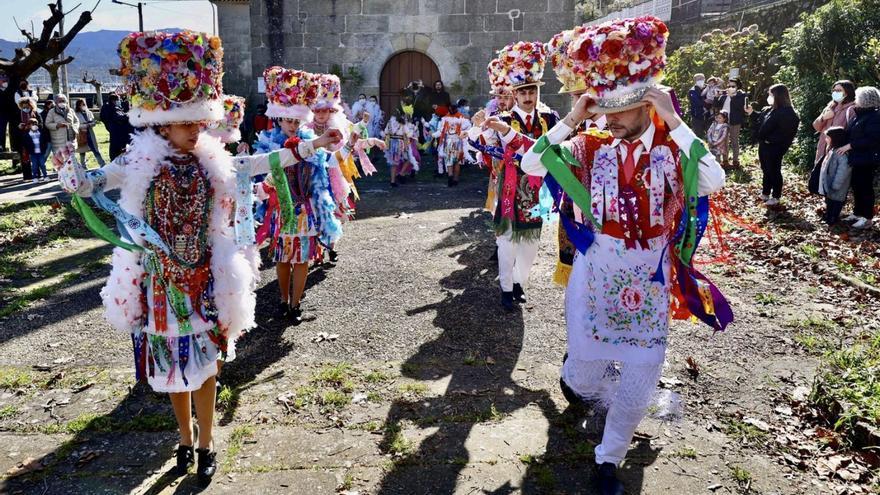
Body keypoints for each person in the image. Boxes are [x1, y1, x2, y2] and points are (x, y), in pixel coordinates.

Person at [52, 31, 328, 489]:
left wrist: (312, 145)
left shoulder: (213, 159)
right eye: (188, 123)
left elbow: (260, 165)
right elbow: (90, 184)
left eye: (201, 120)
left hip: (204, 281)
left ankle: (207, 444)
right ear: (162, 124)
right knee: (173, 373)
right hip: (161, 284)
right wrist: (70, 174)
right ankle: (184, 438)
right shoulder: (136, 163)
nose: (198, 129)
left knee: (208, 368)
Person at [521, 18, 730, 495]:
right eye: (603, 109)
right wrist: (573, 117)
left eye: (621, 109)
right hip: (597, 273)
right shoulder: (590, 146)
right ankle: (577, 383)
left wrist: (675, 121)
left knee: (641, 376)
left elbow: (714, 180)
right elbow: (533, 164)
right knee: (583, 373)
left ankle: (608, 459)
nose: (609, 119)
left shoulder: (674, 154)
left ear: (648, 105)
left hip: (650, 277)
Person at [252, 66, 344, 323]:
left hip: (306, 211)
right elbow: (261, 177)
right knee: (282, 258)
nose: (292, 125)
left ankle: (295, 304)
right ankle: (283, 299)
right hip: (280, 212)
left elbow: (325, 172)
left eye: (296, 121)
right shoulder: (268, 144)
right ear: (278, 119)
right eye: (287, 120)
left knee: (303, 259)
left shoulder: (313, 142)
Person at [479, 40, 557, 311]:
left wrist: (508, 135)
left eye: (531, 91)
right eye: (522, 91)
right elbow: (482, 146)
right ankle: (506, 288)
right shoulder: (502, 118)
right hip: (510, 188)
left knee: (531, 243)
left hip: (536, 190)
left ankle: (520, 282)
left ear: (536, 92)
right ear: (514, 92)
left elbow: (544, 149)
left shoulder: (550, 119)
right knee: (507, 242)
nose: (527, 96)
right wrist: (480, 132)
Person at [749, 84, 799, 206]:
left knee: (774, 171)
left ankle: (776, 196)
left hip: (775, 147)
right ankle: (765, 192)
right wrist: (751, 113)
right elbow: (761, 119)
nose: (769, 97)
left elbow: (787, 133)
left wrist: (771, 140)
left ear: (778, 96)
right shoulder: (770, 109)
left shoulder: (788, 113)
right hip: (764, 145)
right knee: (765, 169)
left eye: (771, 95)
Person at [839, 86, 880, 229]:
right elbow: (851, 133)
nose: (855, 100)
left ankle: (867, 217)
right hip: (857, 158)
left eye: (858, 97)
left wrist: (850, 146)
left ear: (865, 100)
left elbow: (872, 139)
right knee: (856, 185)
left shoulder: (875, 116)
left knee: (865, 187)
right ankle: (858, 212)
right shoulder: (860, 114)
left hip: (867, 159)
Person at [812, 81, 856, 166]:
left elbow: (852, 132)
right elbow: (816, 127)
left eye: (839, 90)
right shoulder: (830, 106)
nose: (835, 93)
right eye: (834, 90)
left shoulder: (852, 109)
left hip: (839, 152)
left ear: (847, 92)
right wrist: (823, 118)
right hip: (822, 149)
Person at [818, 127, 851, 225]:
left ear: (835, 139)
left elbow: (843, 171)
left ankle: (833, 218)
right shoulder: (832, 150)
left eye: (828, 137)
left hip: (838, 185)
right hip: (830, 183)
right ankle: (828, 216)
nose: (826, 139)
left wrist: (836, 184)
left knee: (836, 202)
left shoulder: (841, 154)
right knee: (829, 201)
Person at [714, 78, 749, 167]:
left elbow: (740, 108)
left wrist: (732, 96)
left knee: (734, 141)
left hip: (735, 121)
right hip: (724, 122)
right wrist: (716, 97)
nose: (730, 88)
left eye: (733, 86)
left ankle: (735, 161)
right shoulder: (725, 95)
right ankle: (725, 161)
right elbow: (716, 105)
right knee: (724, 141)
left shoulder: (742, 95)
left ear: (738, 86)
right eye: (729, 86)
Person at [434, 104, 471, 186]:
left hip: (455, 142)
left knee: (452, 161)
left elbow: (441, 131)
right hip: (452, 142)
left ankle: (452, 178)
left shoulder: (450, 118)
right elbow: (441, 131)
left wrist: (434, 135)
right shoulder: (457, 118)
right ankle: (453, 179)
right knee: (454, 161)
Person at [384, 111, 417, 187]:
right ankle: (401, 173)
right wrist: (412, 130)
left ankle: (393, 181)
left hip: (391, 144)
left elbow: (386, 132)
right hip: (400, 144)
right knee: (408, 159)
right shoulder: (402, 123)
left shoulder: (389, 123)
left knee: (393, 163)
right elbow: (408, 134)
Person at [100, 93, 133, 159]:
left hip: (114, 131)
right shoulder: (112, 109)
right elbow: (120, 117)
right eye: (118, 100)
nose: (119, 101)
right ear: (114, 101)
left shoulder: (108, 108)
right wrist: (129, 115)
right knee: (117, 149)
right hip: (118, 132)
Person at [74, 98, 106, 167]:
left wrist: (90, 124)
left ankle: (102, 164)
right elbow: (76, 125)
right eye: (82, 104)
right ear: (78, 105)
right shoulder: (75, 114)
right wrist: (85, 125)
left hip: (90, 133)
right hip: (81, 134)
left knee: (95, 149)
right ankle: (83, 166)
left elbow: (94, 122)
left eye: (84, 104)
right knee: (82, 151)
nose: (84, 105)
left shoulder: (89, 112)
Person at [22, 118, 49, 183]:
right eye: (32, 124)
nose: (34, 125)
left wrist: (44, 149)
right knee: (34, 166)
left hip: (41, 153)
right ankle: (35, 177)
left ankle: (45, 176)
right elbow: (25, 145)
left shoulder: (41, 133)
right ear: (29, 126)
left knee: (42, 165)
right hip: (33, 154)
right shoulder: (27, 135)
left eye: (35, 124)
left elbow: (44, 142)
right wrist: (27, 152)